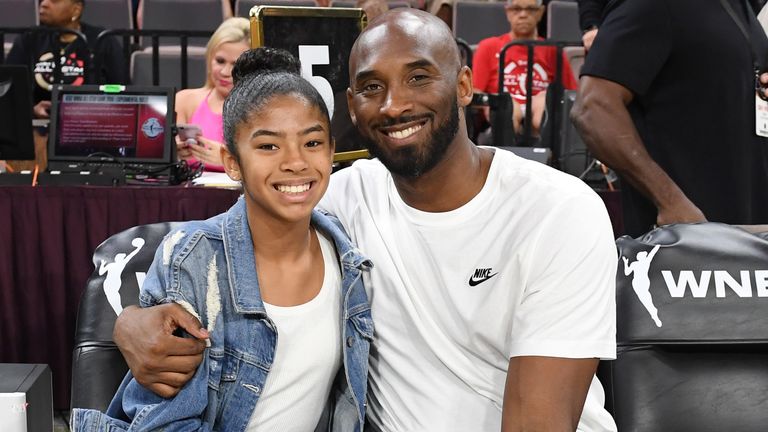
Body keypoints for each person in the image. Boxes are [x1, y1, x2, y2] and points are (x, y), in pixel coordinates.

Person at [112, 9, 618, 431]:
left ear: (464, 85)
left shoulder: (558, 210)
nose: (395, 104)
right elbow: (221, 245)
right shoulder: (340, 197)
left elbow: (538, 424)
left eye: (419, 77)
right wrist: (129, 322)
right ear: (351, 106)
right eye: (372, 87)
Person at [69, 47, 372, 431]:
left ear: (331, 151)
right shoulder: (193, 261)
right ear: (231, 161)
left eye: (312, 143)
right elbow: (165, 425)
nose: (296, 161)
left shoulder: (344, 250)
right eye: (268, 146)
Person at [571, 0, 768, 237]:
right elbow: (593, 108)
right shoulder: (655, 4)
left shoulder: (743, 8)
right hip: (684, 243)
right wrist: (670, 202)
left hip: (747, 237)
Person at [472, 0, 578, 136]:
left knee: (543, 101)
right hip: (500, 119)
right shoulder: (489, 46)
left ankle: (544, 146)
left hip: (541, 117)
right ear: (507, 12)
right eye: (516, 9)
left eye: (530, 9)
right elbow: (475, 92)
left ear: (540, 13)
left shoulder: (553, 50)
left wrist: (543, 100)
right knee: (508, 106)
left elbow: (571, 94)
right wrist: (493, 104)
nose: (523, 15)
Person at [6, 0, 125, 119]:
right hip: (37, 127)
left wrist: (92, 111)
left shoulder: (103, 41)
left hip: (90, 125)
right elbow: (9, 88)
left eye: (54, 1)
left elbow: (121, 90)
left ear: (76, 9)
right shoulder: (29, 38)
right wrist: (31, 110)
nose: (44, 4)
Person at [175, 17, 249, 172]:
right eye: (220, 61)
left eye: (236, 65)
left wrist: (228, 160)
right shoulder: (184, 101)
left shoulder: (265, 111)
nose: (225, 72)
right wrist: (173, 153)